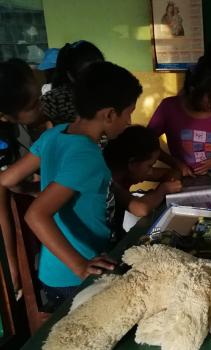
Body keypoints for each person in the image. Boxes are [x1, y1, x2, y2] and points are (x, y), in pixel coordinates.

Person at [0, 61, 143, 307]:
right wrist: (80, 267)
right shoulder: (87, 156)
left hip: (53, 272)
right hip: (75, 277)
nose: (130, 121)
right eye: (129, 112)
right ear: (109, 115)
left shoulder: (57, 133)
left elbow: (7, 180)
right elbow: (36, 215)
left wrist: (34, 190)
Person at [148, 58, 211, 178]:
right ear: (193, 91)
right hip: (183, 179)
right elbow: (147, 144)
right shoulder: (169, 107)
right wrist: (176, 163)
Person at [0, 58, 44, 294]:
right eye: (34, 105)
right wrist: (11, 266)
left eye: (39, 97)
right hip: (11, 230)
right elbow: (2, 211)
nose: (41, 105)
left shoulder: (21, 126)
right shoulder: (2, 143)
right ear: (6, 116)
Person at [102, 125, 182, 234]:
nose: (150, 171)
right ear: (132, 163)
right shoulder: (111, 181)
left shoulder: (129, 171)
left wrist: (152, 197)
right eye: (150, 165)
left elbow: (174, 173)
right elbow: (141, 209)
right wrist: (162, 190)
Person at [40, 40, 105, 125]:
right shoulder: (53, 100)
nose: (96, 80)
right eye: (89, 76)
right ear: (70, 75)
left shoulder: (106, 92)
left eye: (101, 72)